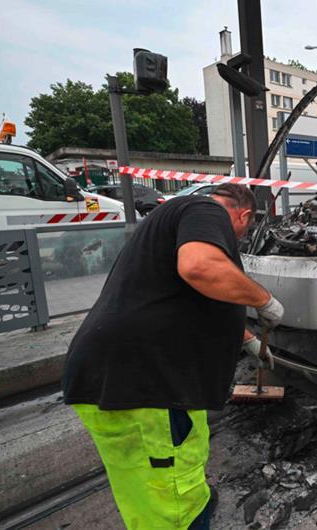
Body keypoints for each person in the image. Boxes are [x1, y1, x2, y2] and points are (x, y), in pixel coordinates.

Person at [62, 184, 284, 529]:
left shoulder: (171, 222)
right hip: (147, 387)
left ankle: (193, 498)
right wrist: (263, 300)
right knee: (172, 510)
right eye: (245, 230)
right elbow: (200, 269)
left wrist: (249, 340)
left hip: (131, 379)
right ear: (244, 216)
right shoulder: (205, 211)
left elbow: (187, 297)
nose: (238, 239)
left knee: (153, 489)